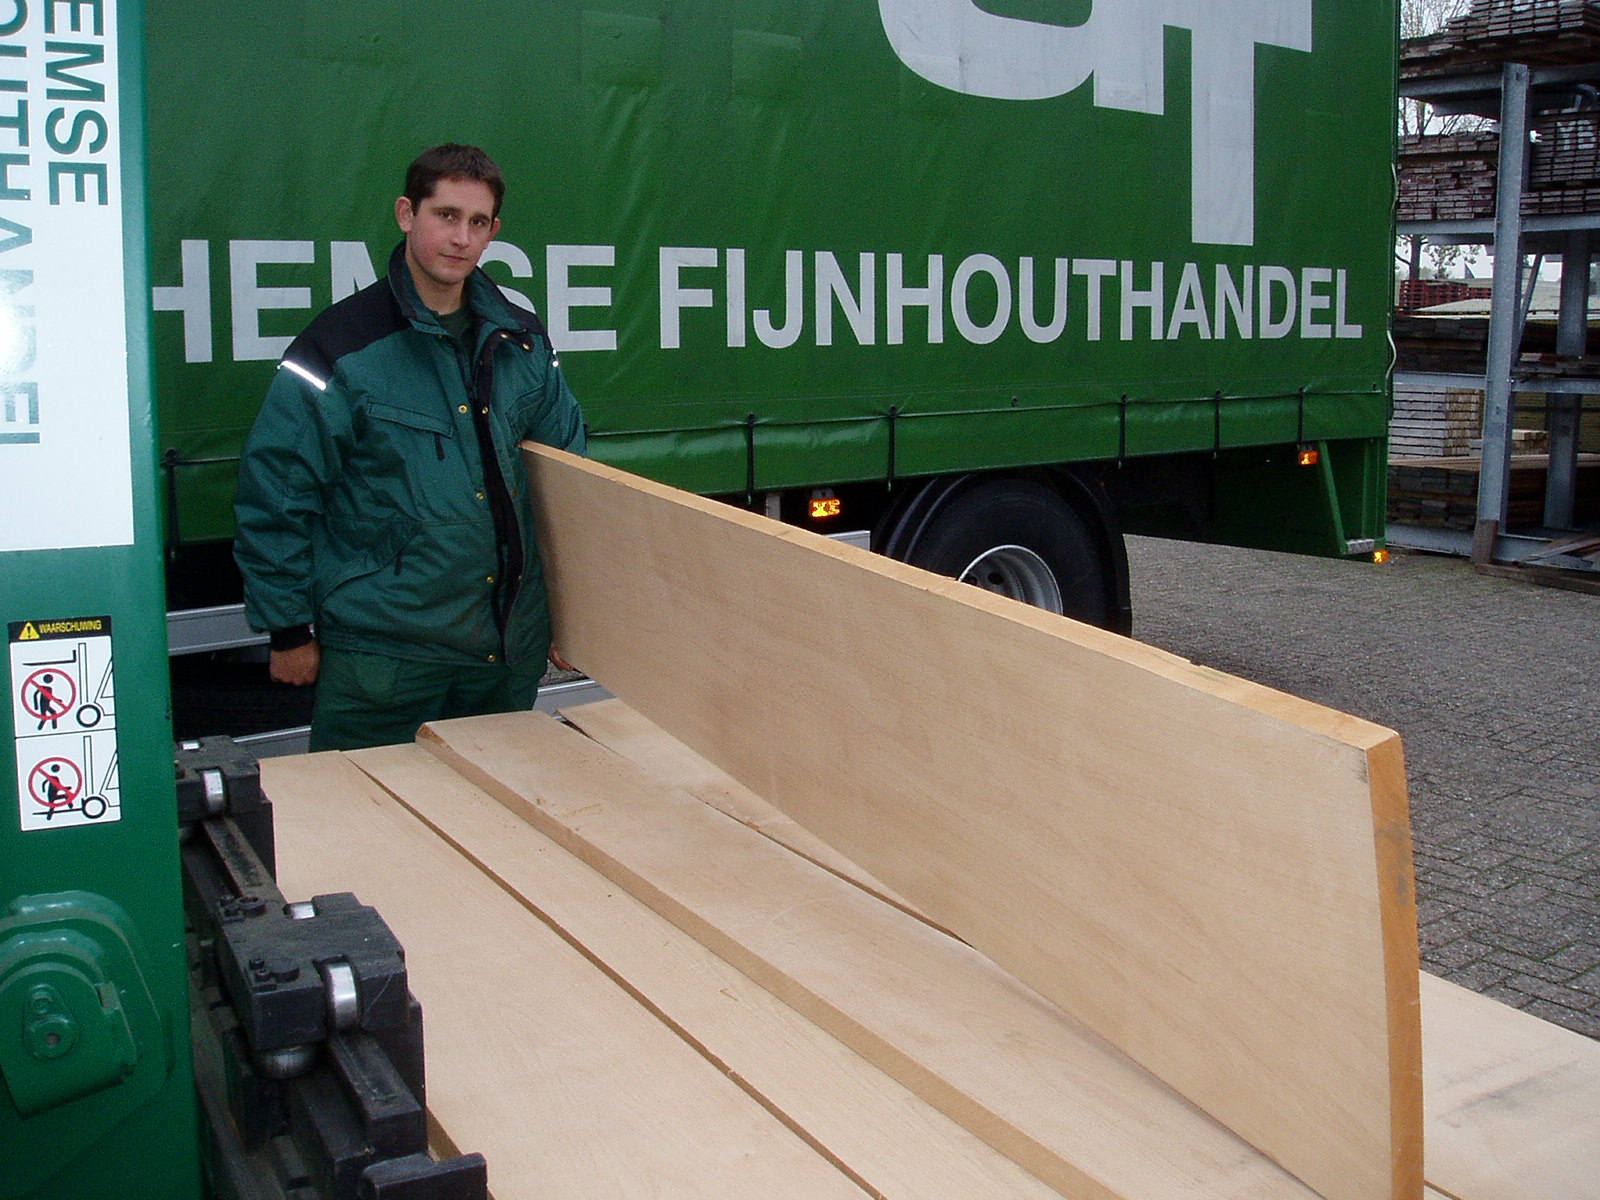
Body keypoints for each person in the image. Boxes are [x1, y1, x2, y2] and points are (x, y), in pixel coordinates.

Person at [234, 144, 586, 751]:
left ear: (494, 231)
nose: (461, 238)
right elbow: (277, 492)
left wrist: (579, 614)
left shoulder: (523, 341)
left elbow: (572, 483)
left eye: (478, 223)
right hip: (387, 662)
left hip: (503, 658)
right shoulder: (340, 347)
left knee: (497, 829)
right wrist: (288, 629)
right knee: (363, 829)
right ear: (406, 214)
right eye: (445, 216)